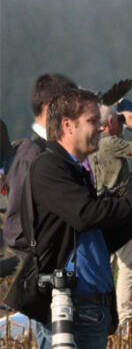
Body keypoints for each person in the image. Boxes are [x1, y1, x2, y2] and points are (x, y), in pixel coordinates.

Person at [3, 88, 132, 349]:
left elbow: (98, 239)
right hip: (70, 305)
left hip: (91, 305)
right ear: (67, 125)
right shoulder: (50, 166)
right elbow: (86, 214)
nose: (101, 127)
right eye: (92, 120)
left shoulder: (76, 171)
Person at [89, 104, 132, 325]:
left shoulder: (88, 144)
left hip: (100, 211)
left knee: (105, 262)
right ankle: (124, 316)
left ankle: (102, 311)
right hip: (122, 211)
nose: (121, 124)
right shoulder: (109, 142)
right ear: (109, 124)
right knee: (127, 265)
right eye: (118, 121)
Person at [4, 73, 77, 256]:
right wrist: (45, 265)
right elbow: (17, 231)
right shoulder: (29, 158)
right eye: (70, 105)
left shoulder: (58, 151)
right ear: (49, 106)